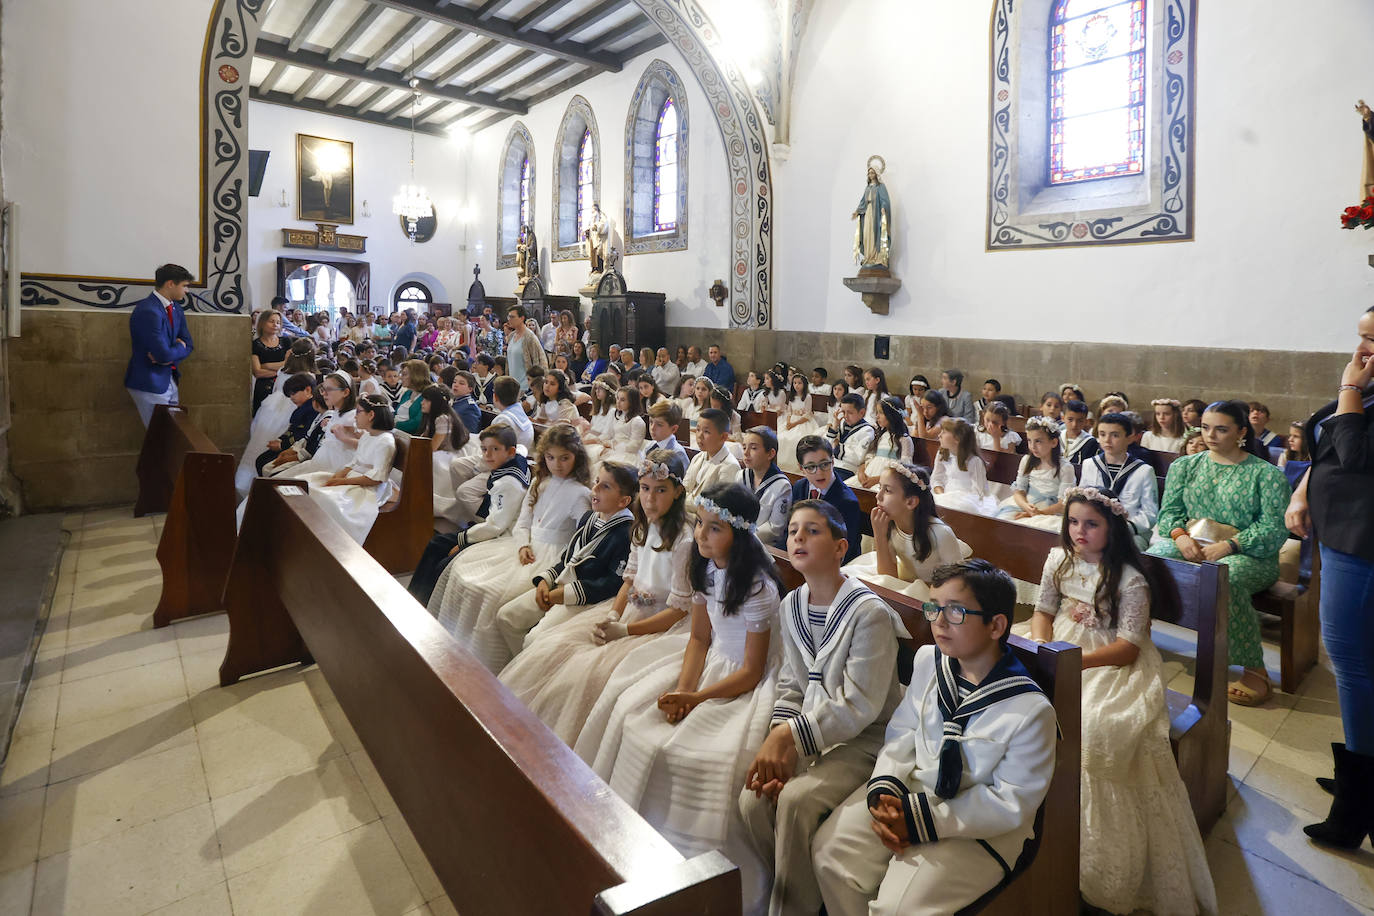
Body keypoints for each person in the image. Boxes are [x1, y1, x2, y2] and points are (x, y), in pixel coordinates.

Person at [811, 560, 1056, 916]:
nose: (938, 622)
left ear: (996, 625)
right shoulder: (930, 661)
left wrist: (923, 820)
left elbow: (1009, 802)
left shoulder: (1030, 710)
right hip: (910, 793)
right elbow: (904, 732)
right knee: (831, 855)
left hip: (980, 832)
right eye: (933, 607)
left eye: (955, 611)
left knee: (898, 909)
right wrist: (887, 789)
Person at [588, 482, 784, 915]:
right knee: (633, 716)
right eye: (700, 525)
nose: (701, 536)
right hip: (709, 664)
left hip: (742, 680)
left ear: (740, 534)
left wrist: (697, 699)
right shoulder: (705, 567)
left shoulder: (755, 585)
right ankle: (626, 849)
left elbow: (751, 671)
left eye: (715, 529)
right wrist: (683, 690)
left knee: (701, 754)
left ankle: (701, 879)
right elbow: (698, 636)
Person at [1030, 489, 1217, 914]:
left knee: (1095, 724)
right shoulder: (1057, 559)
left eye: (1091, 524)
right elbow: (1043, 609)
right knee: (1023, 701)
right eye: (1074, 522)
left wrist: (1074, 663)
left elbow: (1129, 647)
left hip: (1111, 663)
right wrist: (1043, 645)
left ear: (1112, 528)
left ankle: (1094, 848)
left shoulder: (1130, 579)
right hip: (1059, 647)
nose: (1080, 531)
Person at [740, 499, 905, 916]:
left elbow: (859, 704)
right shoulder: (791, 605)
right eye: (793, 529)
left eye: (812, 530)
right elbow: (792, 686)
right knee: (753, 800)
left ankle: (792, 908)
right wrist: (782, 739)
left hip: (865, 741)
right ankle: (794, 891)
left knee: (796, 801)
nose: (798, 537)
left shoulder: (868, 613)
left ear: (839, 547)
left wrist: (788, 737)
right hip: (811, 735)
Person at [500, 449, 692, 744]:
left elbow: (678, 610)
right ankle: (522, 732)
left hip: (660, 625)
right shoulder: (643, 527)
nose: (650, 499)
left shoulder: (684, 541)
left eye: (661, 490)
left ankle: (567, 743)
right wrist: (614, 614)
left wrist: (625, 629)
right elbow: (629, 580)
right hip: (628, 612)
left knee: (590, 676)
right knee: (554, 649)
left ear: (678, 492)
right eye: (645, 489)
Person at [1285, 305, 1374, 848]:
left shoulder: (1357, 387)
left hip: (1362, 546)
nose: (1362, 350)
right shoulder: (1366, 387)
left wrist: (1348, 388)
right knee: (1356, 666)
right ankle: (1358, 775)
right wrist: (1301, 492)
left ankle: (1358, 803)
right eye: (1360, 337)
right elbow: (1325, 445)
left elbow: (1357, 453)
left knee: (1354, 666)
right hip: (1338, 534)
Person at [1149, 400, 1289, 706]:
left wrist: (1229, 545)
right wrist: (1180, 536)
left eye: (1221, 429)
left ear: (1241, 432)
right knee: (1152, 558)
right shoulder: (1185, 466)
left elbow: (1273, 529)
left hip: (1249, 553)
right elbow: (1169, 513)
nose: (1211, 435)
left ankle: (1255, 668)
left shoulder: (1265, 475)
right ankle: (1136, 640)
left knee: (1227, 577)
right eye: (1205, 427)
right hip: (1192, 542)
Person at [426, 424, 591, 668]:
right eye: (551, 457)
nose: (557, 464)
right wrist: (523, 544)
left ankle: (491, 663)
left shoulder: (581, 494)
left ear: (577, 458)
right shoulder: (540, 482)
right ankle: (457, 648)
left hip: (551, 555)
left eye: (565, 458)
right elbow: (524, 522)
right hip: (522, 546)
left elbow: (581, 537)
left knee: (491, 594)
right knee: (463, 571)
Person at [494, 461, 637, 663]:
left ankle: (529, 669)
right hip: (560, 585)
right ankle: (523, 665)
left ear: (623, 501)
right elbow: (568, 556)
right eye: (597, 481)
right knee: (506, 617)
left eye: (605, 486)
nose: (594, 489)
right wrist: (545, 580)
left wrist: (563, 595)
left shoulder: (625, 534)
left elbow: (612, 584)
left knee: (533, 640)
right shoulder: (589, 518)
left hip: (585, 598)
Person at [407, 424, 531, 606]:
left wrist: (463, 539)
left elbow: (496, 526)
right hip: (495, 526)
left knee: (443, 559)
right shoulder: (512, 462)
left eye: (495, 449)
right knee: (436, 543)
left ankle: (423, 602)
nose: (487, 455)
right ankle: (415, 598)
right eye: (484, 449)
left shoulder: (509, 482)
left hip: (503, 535)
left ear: (510, 452)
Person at [846, 462, 965, 598]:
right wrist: (879, 534)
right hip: (905, 583)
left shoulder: (941, 534)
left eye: (888, 490)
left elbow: (958, 582)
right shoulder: (891, 525)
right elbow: (888, 576)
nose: (878, 496)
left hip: (936, 592)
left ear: (911, 502)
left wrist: (911, 585)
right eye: (880, 488)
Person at [296, 394, 397, 545]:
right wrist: (338, 476)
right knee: (307, 481)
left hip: (368, 488)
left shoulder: (386, 442)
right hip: (353, 479)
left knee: (325, 497)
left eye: (358, 412)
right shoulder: (368, 436)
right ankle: (303, 534)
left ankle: (326, 542)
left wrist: (342, 481)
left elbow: (376, 479)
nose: (355, 417)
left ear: (371, 415)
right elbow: (353, 462)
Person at [125, 263, 195, 426]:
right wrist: (179, 347)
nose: (187, 291)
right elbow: (162, 354)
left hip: (169, 379)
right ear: (170, 283)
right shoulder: (148, 310)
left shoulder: (176, 308)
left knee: (171, 436)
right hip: (150, 381)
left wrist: (172, 353)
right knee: (160, 437)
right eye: (184, 286)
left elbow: (189, 344)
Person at [1079, 412, 1159, 549]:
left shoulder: (1144, 471)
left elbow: (1150, 513)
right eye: (1102, 434)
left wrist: (1124, 528)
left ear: (1129, 438)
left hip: (1131, 532)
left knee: (1122, 548)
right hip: (1093, 528)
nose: (1107, 440)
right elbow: (1082, 499)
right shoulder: (1089, 464)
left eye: (1115, 435)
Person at [786, 436, 862, 563]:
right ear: (801, 468)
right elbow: (789, 529)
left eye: (824, 464)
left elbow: (845, 550)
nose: (819, 472)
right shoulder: (799, 487)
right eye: (811, 467)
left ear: (832, 461)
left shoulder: (847, 501)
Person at [996, 417, 1074, 528]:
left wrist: (1038, 513)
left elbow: (1063, 504)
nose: (1032, 446)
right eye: (1029, 441)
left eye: (1038, 441)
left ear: (1053, 442)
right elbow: (1019, 492)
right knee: (1005, 522)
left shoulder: (1065, 468)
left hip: (1050, 510)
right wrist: (1026, 506)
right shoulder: (1026, 461)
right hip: (1028, 503)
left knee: (1040, 526)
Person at [683, 408, 744, 514]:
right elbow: (683, 488)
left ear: (723, 437)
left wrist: (682, 500)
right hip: (684, 514)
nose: (699, 436)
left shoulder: (730, 467)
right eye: (698, 430)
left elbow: (715, 507)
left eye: (706, 431)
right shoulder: (699, 457)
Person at [932, 417, 997, 516]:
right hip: (945, 495)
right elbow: (936, 478)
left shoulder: (975, 461)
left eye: (944, 432)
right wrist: (942, 496)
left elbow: (979, 492)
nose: (939, 435)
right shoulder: (942, 454)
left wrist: (954, 500)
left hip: (968, 500)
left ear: (957, 438)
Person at [741, 427, 793, 546]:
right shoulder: (741, 476)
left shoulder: (782, 486)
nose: (746, 453)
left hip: (763, 547)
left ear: (770, 454)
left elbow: (774, 529)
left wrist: (744, 537)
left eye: (753, 448)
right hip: (738, 540)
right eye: (744, 447)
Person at [855, 397, 914, 489]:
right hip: (868, 475)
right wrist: (861, 471)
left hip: (886, 481)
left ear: (892, 415)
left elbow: (905, 470)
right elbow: (870, 457)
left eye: (881, 413)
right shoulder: (881, 435)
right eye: (877, 412)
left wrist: (878, 480)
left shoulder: (905, 440)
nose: (877, 416)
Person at [777, 373, 819, 473]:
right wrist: (788, 422)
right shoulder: (792, 397)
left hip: (803, 422)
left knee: (796, 439)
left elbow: (808, 415)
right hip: (791, 421)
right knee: (781, 437)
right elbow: (789, 411)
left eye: (799, 383)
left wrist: (794, 424)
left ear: (804, 384)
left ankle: (795, 466)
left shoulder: (807, 397)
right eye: (795, 383)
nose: (797, 385)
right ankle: (782, 464)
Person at [826, 393, 875, 478]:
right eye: (843, 412)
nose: (845, 416)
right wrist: (834, 427)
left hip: (847, 469)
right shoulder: (841, 424)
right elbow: (825, 447)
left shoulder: (867, 430)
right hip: (831, 465)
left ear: (862, 413)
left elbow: (857, 458)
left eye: (850, 413)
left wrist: (836, 447)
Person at [250, 310, 288, 415]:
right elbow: (257, 372)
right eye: (271, 321)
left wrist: (266, 365)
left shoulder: (286, 342)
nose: (275, 325)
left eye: (278, 322)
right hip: (263, 387)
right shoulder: (255, 344)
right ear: (262, 322)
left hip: (283, 386)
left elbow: (289, 365)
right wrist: (281, 370)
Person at [504, 304, 547, 385]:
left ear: (522, 318)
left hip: (526, 386)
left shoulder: (530, 337)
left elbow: (539, 362)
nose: (509, 320)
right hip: (513, 384)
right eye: (508, 317)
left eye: (512, 317)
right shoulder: (511, 336)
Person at [1060, 399, 1099, 467]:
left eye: (1080, 421)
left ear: (1086, 421)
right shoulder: (1057, 437)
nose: (1074, 424)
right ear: (1063, 418)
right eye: (1070, 419)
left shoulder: (1090, 442)